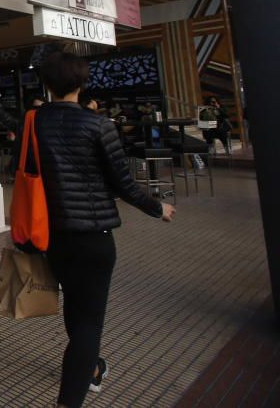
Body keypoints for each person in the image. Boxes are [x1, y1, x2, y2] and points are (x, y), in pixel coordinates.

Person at [34, 52, 176, 408]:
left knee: (74, 307)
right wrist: (158, 208)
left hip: (53, 236)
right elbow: (124, 184)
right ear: (82, 85)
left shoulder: (33, 124)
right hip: (94, 237)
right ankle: (69, 399)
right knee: (89, 324)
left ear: (47, 85)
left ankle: (92, 369)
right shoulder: (99, 126)